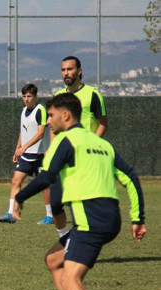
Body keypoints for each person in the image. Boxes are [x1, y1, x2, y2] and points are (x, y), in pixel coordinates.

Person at [12, 93, 145, 290]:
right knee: (53, 259)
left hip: (90, 220)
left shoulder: (66, 141)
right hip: (109, 216)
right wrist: (137, 219)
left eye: (51, 115)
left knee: (72, 276)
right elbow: (130, 176)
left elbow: (47, 177)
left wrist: (19, 197)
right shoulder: (101, 143)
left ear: (66, 115)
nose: (48, 121)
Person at [48, 56, 108, 238]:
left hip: (85, 161)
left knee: (81, 206)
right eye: (63, 70)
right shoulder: (58, 96)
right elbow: (52, 127)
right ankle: (64, 238)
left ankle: (82, 242)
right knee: (55, 202)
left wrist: (91, 147)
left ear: (79, 71)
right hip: (63, 160)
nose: (66, 73)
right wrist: (53, 151)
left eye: (70, 69)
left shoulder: (92, 95)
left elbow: (102, 124)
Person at [0, 83, 52, 224]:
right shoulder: (23, 111)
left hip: (40, 156)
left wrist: (24, 147)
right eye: (24, 96)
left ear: (35, 97)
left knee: (45, 186)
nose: (26, 99)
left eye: (29, 96)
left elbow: (40, 134)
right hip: (26, 156)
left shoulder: (40, 110)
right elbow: (23, 131)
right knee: (15, 181)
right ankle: (10, 213)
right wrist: (17, 149)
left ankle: (50, 216)